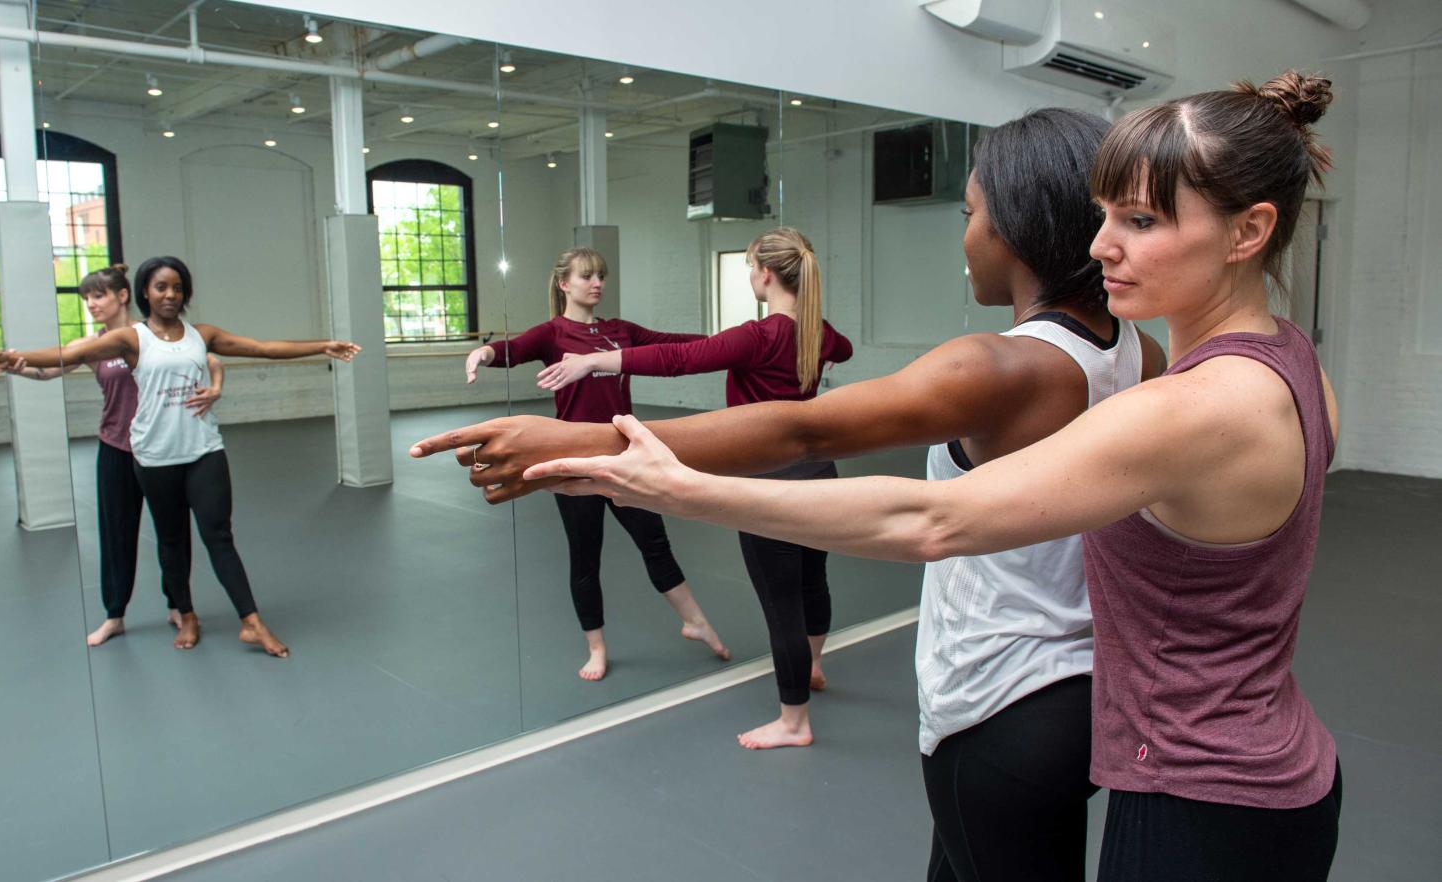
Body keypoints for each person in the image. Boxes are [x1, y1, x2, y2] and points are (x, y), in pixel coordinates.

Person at [509, 73, 1344, 881]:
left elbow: (931, 519)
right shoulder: (1283, 363)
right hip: (1233, 751)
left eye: (1140, 219)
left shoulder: (1181, 402)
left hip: (1193, 786)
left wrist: (665, 482)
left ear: (1247, 233)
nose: (1104, 245)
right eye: (1102, 215)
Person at [417, 107, 1165, 877]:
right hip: (1081, 687)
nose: (965, 234)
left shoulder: (1003, 366)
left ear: (1014, 228)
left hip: (1003, 703)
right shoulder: (1142, 351)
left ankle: (792, 709)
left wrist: (576, 438)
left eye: (970, 214)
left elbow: (801, 430)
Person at [535, 227, 855, 751]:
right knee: (813, 581)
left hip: (767, 487)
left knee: (782, 606)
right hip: (820, 475)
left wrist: (595, 360)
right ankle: (814, 666)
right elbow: (839, 349)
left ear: (765, 273)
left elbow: (680, 360)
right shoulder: (819, 331)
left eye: (751, 266)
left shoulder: (761, 335)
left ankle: (794, 721)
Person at [0, 256, 361, 659]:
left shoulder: (201, 335)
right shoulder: (130, 339)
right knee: (172, 539)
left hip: (203, 450)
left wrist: (322, 346)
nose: (170, 294)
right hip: (154, 457)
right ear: (144, 292)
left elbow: (262, 348)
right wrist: (7, 358)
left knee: (219, 536)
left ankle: (252, 621)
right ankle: (185, 613)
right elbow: (65, 354)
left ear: (185, 293)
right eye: (161, 287)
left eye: (177, 287)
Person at [463, 246, 729, 681]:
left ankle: (695, 621)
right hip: (574, 464)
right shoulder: (553, 333)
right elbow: (511, 349)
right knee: (585, 558)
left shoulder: (620, 331)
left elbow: (672, 344)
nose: (597, 283)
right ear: (564, 283)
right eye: (587, 276)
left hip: (626, 455)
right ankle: (597, 648)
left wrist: (729, 342)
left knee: (655, 543)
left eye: (601, 275)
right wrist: (482, 354)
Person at [0, 264, 225, 647]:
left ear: (123, 296)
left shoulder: (153, 335)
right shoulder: (94, 345)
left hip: (162, 448)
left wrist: (216, 388)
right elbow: (49, 370)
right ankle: (115, 615)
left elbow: (211, 360)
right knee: (116, 533)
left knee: (172, 532)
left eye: (98, 295)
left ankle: (179, 606)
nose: (90, 304)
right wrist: (17, 366)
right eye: (86, 298)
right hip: (117, 448)